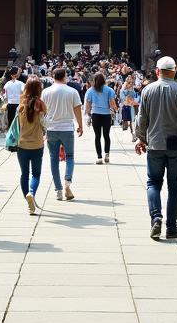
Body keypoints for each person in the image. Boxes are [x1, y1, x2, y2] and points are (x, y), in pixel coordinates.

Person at [134, 55, 177, 240]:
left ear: (157, 72)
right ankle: (171, 227)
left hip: (154, 144)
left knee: (153, 183)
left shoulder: (147, 91)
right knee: (174, 186)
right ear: (175, 71)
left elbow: (141, 119)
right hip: (176, 145)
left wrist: (140, 138)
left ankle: (156, 218)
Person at [41, 66, 84, 200]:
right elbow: (77, 110)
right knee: (70, 156)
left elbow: (42, 112)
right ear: (65, 76)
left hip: (51, 128)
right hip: (66, 127)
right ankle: (67, 182)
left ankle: (58, 190)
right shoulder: (72, 91)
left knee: (54, 159)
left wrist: (43, 128)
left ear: (53, 76)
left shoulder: (46, 92)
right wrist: (80, 125)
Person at [17, 76, 47, 214]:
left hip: (22, 144)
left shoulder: (21, 105)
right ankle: (31, 193)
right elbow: (45, 123)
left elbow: (18, 126)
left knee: (24, 174)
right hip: (37, 144)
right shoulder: (41, 105)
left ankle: (29, 202)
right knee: (36, 175)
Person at [84, 71, 118, 163]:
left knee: (97, 136)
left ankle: (99, 157)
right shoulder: (109, 90)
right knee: (106, 135)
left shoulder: (90, 90)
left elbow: (88, 104)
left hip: (96, 114)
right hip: (106, 114)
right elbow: (112, 102)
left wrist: (88, 114)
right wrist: (115, 110)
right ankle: (107, 154)